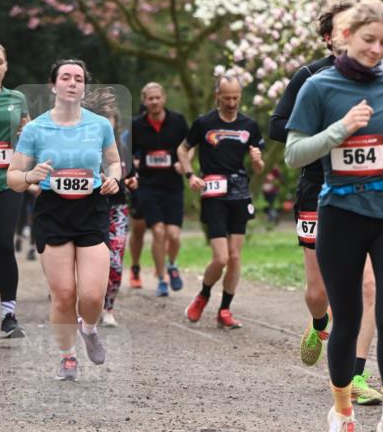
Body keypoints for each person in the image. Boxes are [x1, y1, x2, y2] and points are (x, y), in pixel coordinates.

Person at [285, 0, 383, 432]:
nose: (377, 50)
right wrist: (339, 131)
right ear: (346, 36)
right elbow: (294, 153)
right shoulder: (317, 87)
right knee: (345, 320)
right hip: (342, 213)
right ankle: (342, 416)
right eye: (369, 40)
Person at [269, 0, 383, 406]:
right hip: (317, 188)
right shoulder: (310, 76)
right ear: (329, 37)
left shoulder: (378, 78)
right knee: (319, 291)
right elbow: (277, 126)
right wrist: (332, 132)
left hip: (364, 190)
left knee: (368, 287)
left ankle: (355, 375)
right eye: (344, 28)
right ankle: (320, 324)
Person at [7, 59, 121, 380]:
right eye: (66, 77)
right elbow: (13, 178)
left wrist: (113, 179)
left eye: (78, 78)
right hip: (53, 211)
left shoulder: (100, 125)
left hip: (92, 209)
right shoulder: (35, 129)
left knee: (92, 295)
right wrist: (31, 174)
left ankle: (90, 327)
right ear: (53, 85)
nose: (72, 82)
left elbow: (114, 164)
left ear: (84, 87)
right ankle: (67, 356)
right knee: (64, 293)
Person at [178, 73, 265, 329]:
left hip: (239, 193)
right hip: (214, 193)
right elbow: (183, 149)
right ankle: (203, 295)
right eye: (226, 97)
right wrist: (190, 175)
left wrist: (258, 161)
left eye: (236, 97)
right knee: (221, 258)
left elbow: (258, 169)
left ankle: (225, 309)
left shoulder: (249, 125)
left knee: (235, 257)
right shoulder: (204, 122)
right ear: (217, 96)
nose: (232, 102)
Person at [0, 41, 30, 341]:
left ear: (6, 66)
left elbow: (27, 134)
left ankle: (9, 315)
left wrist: (27, 133)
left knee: (4, 246)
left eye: (0, 61)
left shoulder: (17, 98)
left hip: (9, 182)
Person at [131, 83, 188, 296]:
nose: (154, 102)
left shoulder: (178, 121)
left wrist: (184, 164)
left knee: (173, 235)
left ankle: (172, 265)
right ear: (144, 101)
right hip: (148, 185)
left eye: (157, 97)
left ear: (164, 98)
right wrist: (134, 162)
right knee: (158, 231)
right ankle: (162, 278)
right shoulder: (137, 125)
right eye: (150, 98)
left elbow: (188, 147)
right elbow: (127, 150)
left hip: (173, 185)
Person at [101, 106, 138, 326]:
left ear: (115, 122)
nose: (107, 122)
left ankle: (108, 308)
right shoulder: (84, 147)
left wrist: (133, 182)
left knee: (114, 262)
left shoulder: (123, 149)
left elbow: (131, 178)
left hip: (117, 210)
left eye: (110, 119)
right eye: (102, 118)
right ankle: (84, 304)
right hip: (87, 210)